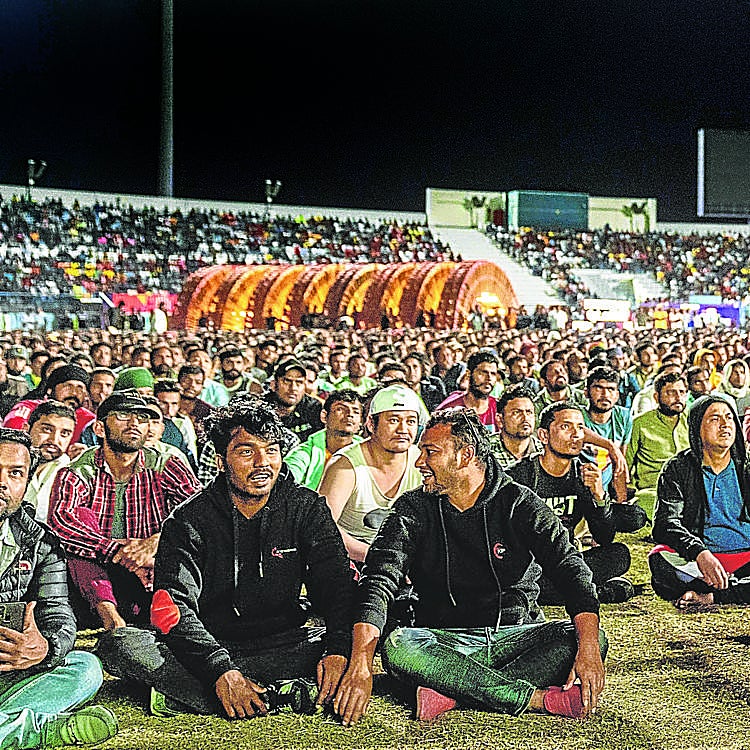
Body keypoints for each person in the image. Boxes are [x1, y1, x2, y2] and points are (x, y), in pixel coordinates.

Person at [332, 408, 607, 725]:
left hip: (514, 636)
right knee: (397, 645)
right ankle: (536, 699)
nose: (419, 461)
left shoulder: (518, 502)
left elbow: (571, 570)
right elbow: (378, 580)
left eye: (430, 452)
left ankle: (450, 688)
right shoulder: (412, 508)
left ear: (465, 455)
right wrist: (361, 664)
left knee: (588, 637)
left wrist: (587, 650)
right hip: (442, 640)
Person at [95, 398, 355, 719]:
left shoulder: (306, 507)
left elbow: (337, 587)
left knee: (357, 638)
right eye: (247, 451)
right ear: (220, 461)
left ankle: (194, 695)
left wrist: (337, 651)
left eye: (271, 450)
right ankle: (268, 693)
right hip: (209, 644)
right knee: (118, 645)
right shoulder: (189, 519)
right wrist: (220, 670)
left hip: (286, 642)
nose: (263, 462)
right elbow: (171, 607)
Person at [0, 428, 118, 748]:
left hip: (8, 669)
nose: (2, 482)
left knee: (86, 667)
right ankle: (37, 732)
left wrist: (44, 648)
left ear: (26, 483)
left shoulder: (42, 543)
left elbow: (58, 612)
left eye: (15, 473)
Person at [48, 391, 201, 631]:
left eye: (141, 418)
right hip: (99, 572)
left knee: (183, 536)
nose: (134, 424)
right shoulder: (77, 472)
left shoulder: (165, 462)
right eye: (122, 416)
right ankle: (110, 618)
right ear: (99, 428)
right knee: (80, 523)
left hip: (153, 565)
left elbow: (201, 512)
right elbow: (61, 523)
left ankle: (171, 614)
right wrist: (118, 552)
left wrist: (157, 542)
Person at [507, 402, 634, 604]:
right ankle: (593, 592)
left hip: (566, 561)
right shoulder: (519, 476)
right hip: (529, 563)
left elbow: (604, 536)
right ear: (543, 436)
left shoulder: (584, 474)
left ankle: (561, 590)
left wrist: (599, 496)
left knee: (619, 554)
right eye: (566, 427)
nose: (576, 435)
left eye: (580, 427)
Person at [650, 393, 750, 608]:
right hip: (699, 562)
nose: (725, 425)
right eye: (715, 419)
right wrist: (700, 552)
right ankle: (735, 588)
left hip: (747, 558)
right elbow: (665, 524)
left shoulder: (747, 467)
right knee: (660, 560)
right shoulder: (678, 468)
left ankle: (712, 596)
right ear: (697, 427)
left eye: (730, 417)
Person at [317, 384, 424, 564]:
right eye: (393, 420)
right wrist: (377, 557)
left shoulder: (421, 462)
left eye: (411, 421)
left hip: (405, 560)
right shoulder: (345, 466)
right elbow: (323, 527)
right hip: (350, 561)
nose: (403, 429)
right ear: (371, 424)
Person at [625, 371, 689, 519]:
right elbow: (625, 463)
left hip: (688, 489)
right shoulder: (640, 423)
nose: (678, 398)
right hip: (653, 490)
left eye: (682, 392)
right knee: (646, 502)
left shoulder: (693, 422)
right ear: (656, 397)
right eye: (671, 393)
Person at [3, 364, 94, 456]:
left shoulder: (89, 418)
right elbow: (11, 439)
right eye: (68, 386)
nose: (74, 392)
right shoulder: (27, 407)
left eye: (80, 388)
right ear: (50, 390)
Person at [284, 389, 363, 491]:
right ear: (324, 416)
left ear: (361, 421)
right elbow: (285, 484)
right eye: (340, 409)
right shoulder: (303, 453)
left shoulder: (369, 454)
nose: (349, 414)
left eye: (356, 412)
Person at [23, 401, 76, 523]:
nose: (54, 440)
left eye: (64, 434)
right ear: (26, 429)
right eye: (47, 429)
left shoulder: (72, 472)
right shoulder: (6, 461)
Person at [437, 351, 500, 433]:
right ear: (468, 374)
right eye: (483, 373)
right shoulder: (449, 409)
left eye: (493, 374)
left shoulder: (500, 408)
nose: (489, 378)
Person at [265, 358, 323, 443]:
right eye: (287, 381)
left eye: (299, 382)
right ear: (273, 385)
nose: (293, 388)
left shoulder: (313, 408)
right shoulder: (261, 407)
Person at [489, 384, 542, 468]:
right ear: (499, 420)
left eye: (529, 412)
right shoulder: (486, 451)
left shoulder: (545, 451)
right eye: (516, 413)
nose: (525, 418)